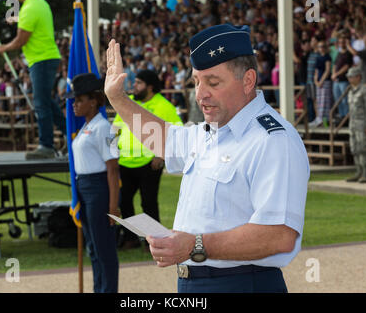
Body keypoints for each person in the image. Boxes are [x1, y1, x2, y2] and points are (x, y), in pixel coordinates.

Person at [104, 24, 310, 293]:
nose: (200, 94)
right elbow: (162, 139)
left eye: (213, 82)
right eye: (196, 82)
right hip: (195, 282)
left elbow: (280, 236)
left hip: (243, 283)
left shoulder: (273, 140)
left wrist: (195, 244)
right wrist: (117, 98)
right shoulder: (212, 131)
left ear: (248, 81)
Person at [112, 69, 182, 250]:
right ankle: (131, 237)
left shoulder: (164, 106)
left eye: (139, 83)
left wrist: (161, 155)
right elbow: (115, 129)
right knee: (123, 202)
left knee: (148, 202)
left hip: (149, 163)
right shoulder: (129, 104)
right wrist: (112, 151)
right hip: (125, 162)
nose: (134, 86)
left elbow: (177, 133)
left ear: (150, 87)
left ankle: (155, 240)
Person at [63, 73, 120, 293]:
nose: (74, 105)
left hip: (99, 188)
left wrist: (113, 205)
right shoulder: (87, 126)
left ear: (93, 101)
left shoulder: (104, 127)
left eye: (79, 100)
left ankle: (108, 290)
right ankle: (99, 289)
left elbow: (113, 168)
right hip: (84, 187)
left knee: (104, 248)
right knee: (93, 248)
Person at [0, 0, 66, 159]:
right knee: (46, 102)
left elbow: (21, 40)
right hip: (45, 58)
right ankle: (70, 133)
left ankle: (46, 146)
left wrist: (4, 48)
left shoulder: (29, 7)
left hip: (41, 59)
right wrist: (16, 19)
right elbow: (28, 22)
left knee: (41, 103)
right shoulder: (38, 2)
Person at [345, 67, 366, 184]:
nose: (349, 79)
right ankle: (358, 171)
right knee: (354, 148)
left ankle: (365, 173)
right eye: (348, 77)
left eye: (351, 76)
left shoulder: (365, 91)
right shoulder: (351, 91)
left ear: (358, 77)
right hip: (353, 124)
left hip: (362, 124)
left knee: (364, 148)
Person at [310, 40, 332, 128]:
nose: (321, 48)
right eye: (320, 47)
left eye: (323, 46)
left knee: (325, 103)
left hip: (325, 82)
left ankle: (324, 122)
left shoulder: (327, 57)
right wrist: (316, 81)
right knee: (319, 102)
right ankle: (320, 120)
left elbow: (327, 70)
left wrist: (321, 81)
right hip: (318, 82)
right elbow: (316, 71)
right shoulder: (318, 57)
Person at [332, 35, 353, 119]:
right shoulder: (339, 53)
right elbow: (335, 64)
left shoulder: (348, 53)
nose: (341, 44)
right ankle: (342, 116)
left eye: (343, 42)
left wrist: (336, 74)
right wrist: (333, 74)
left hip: (344, 80)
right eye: (340, 42)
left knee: (345, 100)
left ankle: (346, 117)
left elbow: (346, 66)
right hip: (336, 80)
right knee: (338, 100)